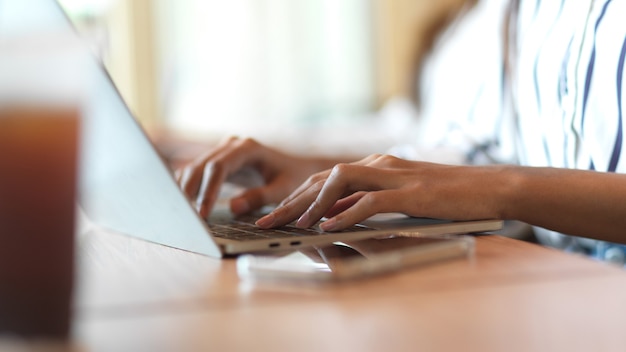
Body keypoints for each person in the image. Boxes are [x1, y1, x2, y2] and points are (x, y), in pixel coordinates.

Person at [177, 0, 626, 262]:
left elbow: (495, 178)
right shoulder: (514, 13)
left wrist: (503, 187)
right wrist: (329, 177)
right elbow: (473, 152)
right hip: (560, 288)